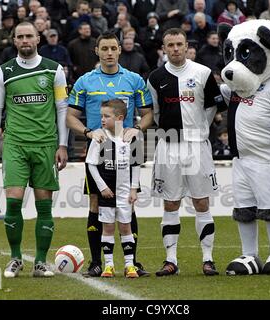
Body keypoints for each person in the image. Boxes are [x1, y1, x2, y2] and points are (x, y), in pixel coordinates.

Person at [0, 21, 69, 278]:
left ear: (38, 39)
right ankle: (15, 258)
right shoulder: (3, 72)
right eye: (20, 36)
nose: (24, 40)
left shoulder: (55, 70)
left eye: (29, 36)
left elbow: (62, 109)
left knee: (44, 207)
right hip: (15, 145)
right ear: (14, 40)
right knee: (13, 203)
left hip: (45, 145)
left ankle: (41, 262)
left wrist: (63, 144)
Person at [66, 32, 154, 277]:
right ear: (97, 51)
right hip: (99, 149)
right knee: (96, 203)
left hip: (125, 148)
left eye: (113, 48)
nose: (109, 53)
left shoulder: (134, 80)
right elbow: (70, 116)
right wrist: (88, 132)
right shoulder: (85, 81)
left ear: (119, 50)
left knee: (128, 202)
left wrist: (136, 129)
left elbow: (148, 113)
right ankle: (98, 263)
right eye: (104, 48)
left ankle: (131, 262)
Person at [147, 28, 227, 276]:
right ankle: (171, 260)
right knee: (170, 203)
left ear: (186, 45)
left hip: (197, 146)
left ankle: (208, 259)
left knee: (201, 202)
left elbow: (215, 106)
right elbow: (156, 113)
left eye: (179, 44)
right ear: (163, 48)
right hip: (168, 146)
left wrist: (199, 130)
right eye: (170, 45)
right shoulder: (155, 77)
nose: (175, 49)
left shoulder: (202, 73)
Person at [86, 99, 142, 278]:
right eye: (101, 116)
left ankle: (129, 265)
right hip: (107, 193)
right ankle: (109, 265)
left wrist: (134, 189)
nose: (102, 119)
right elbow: (91, 164)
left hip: (125, 192)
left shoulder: (131, 137)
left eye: (106, 116)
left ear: (119, 118)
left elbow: (136, 165)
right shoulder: (99, 137)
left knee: (126, 227)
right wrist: (102, 187)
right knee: (108, 228)